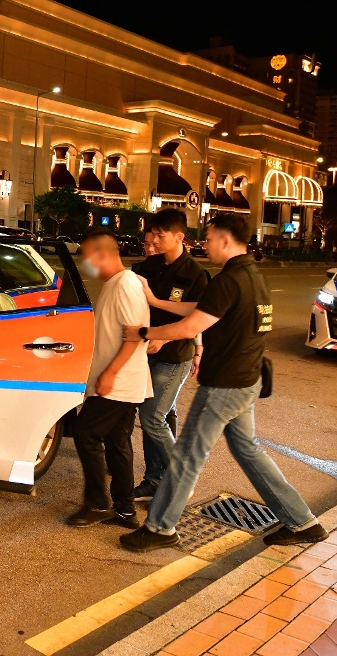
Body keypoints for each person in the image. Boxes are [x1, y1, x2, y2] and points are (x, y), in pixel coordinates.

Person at [118, 213, 327, 552]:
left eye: (210, 238)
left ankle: (160, 528)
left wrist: (144, 332)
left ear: (226, 240)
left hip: (225, 385)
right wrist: (155, 302)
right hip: (247, 379)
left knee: (187, 455)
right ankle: (302, 522)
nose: (206, 245)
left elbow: (190, 327)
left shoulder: (229, 280)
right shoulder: (251, 275)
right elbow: (203, 309)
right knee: (248, 451)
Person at [67, 227, 152, 529]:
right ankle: (125, 511)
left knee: (85, 433)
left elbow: (135, 336)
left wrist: (110, 374)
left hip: (119, 382)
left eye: (87, 258)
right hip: (120, 380)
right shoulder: (115, 283)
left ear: (102, 254)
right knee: (118, 443)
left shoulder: (126, 284)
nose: (86, 266)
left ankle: (97, 504)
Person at [131, 209, 208, 501]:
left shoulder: (195, 275)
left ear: (179, 237)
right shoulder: (150, 266)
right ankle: (154, 479)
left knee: (153, 417)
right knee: (153, 415)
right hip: (145, 351)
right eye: (153, 235)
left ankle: (182, 476)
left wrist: (164, 338)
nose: (155, 241)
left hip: (174, 355)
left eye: (161, 235)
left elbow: (198, 318)